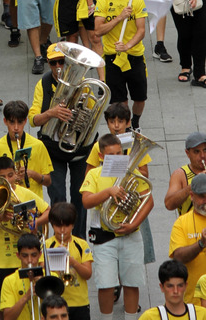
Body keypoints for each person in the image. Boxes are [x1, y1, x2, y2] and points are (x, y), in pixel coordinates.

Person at [81, 133, 153, 320]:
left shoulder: (131, 172)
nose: (117, 158)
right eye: (111, 154)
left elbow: (148, 201)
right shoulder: (94, 174)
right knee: (105, 285)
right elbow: (86, 201)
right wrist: (108, 192)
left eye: (119, 153)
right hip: (104, 237)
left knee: (132, 283)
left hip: (131, 235)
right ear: (101, 156)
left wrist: (133, 224)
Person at [29, 43, 90, 238]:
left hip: (78, 147)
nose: (58, 67)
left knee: (80, 196)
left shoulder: (82, 83)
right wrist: (52, 113)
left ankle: (78, 241)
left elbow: (92, 113)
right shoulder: (43, 84)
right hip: (53, 148)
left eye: (62, 62)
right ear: (48, 63)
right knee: (58, 196)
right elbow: (32, 119)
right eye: (53, 63)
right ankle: (60, 238)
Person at [0, 156, 50, 314]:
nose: (8, 180)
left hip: (26, 257)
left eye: (10, 175)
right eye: (3, 177)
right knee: (3, 304)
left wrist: (35, 223)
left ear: (16, 174)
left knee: (33, 295)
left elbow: (48, 211)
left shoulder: (25, 193)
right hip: (2, 260)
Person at [94, 0, 148, 129]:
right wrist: (119, 18)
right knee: (119, 101)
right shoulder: (103, 1)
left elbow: (141, 31)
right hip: (112, 58)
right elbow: (98, 30)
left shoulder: (136, 0)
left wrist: (127, 46)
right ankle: (125, 127)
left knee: (140, 98)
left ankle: (136, 123)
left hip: (134, 56)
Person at [0, 100, 52, 197]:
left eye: (20, 122)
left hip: (33, 201)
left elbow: (48, 181)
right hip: (8, 201)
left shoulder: (38, 145)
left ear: (25, 121)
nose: (16, 128)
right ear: (5, 121)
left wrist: (32, 174)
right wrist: (6, 179)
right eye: (12, 122)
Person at [45, 203, 93, 320]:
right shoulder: (46, 245)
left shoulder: (81, 244)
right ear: (52, 225)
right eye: (58, 226)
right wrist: (57, 259)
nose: (62, 230)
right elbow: (44, 274)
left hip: (79, 302)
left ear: (73, 225)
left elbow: (88, 274)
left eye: (66, 226)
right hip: (55, 304)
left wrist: (73, 263)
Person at [170, 173, 206, 305]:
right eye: (202, 196)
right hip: (193, 303)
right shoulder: (181, 223)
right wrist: (201, 244)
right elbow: (178, 257)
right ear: (191, 196)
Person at [0, 233, 46, 320]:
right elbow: (7, 318)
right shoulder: (9, 281)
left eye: (34, 255)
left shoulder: (50, 277)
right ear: (18, 255)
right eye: (25, 256)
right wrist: (26, 297)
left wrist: (44, 287)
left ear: (40, 254)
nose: (30, 260)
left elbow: (58, 310)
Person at [140, 260, 206, 320]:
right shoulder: (150, 317)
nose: (175, 291)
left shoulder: (202, 314)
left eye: (180, 286)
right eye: (170, 286)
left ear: (185, 286)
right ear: (162, 287)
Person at [164, 132, 206, 216]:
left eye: (205, 150)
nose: (202, 155)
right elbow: (169, 204)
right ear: (187, 153)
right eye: (196, 151)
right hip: (190, 223)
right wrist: (194, 184)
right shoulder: (180, 174)